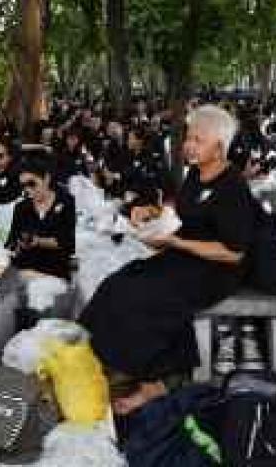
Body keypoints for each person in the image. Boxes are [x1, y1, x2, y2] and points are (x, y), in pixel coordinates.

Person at [79, 105, 254, 415]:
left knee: (143, 296)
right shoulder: (197, 176)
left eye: (197, 140)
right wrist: (152, 214)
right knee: (117, 283)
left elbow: (233, 252)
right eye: (189, 138)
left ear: (219, 146)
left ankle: (153, 382)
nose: (188, 145)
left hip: (214, 270)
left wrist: (174, 241)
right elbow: (183, 215)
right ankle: (116, 362)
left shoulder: (233, 187)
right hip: (182, 257)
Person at [6, 154, 76, 280]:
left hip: (55, 272)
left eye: (32, 183)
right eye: (23, 185)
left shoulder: (66, 202)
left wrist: (38, 241)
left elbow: (67, 243)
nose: (28, 189)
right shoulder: (21, 207)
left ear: (46, 179)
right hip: (24, 270)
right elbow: (12, 241)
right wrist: (17, 245)